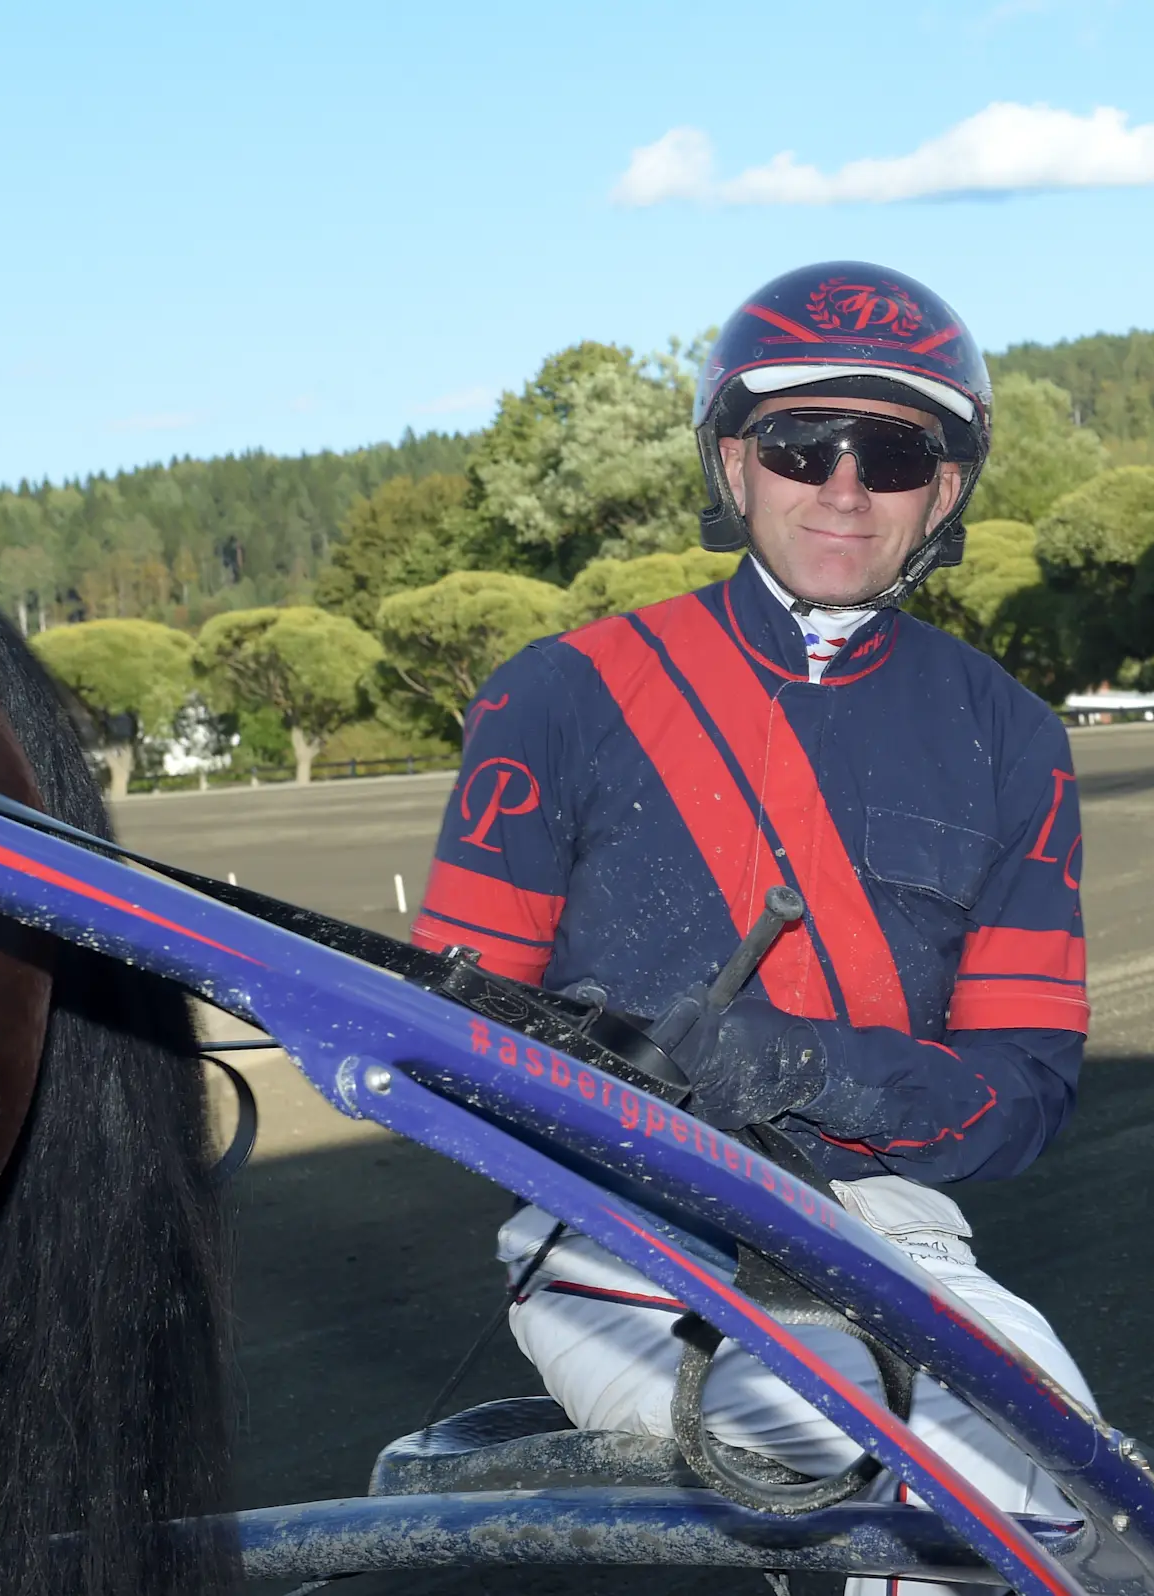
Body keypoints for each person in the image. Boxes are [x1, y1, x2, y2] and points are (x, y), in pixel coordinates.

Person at [413, 261, 1094, 1593]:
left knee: (1091, 1507)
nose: (845, 486)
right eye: (802, 443)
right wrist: (601, 1085)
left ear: (944, 490)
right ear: (736, 463)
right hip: (618, 1230)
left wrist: (808, 1069)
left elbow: (1024, 1094)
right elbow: (445, 1036)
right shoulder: (558, 695)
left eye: (893, 452)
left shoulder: (1014, 738)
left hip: (897, 1237)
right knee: (916, 1497)